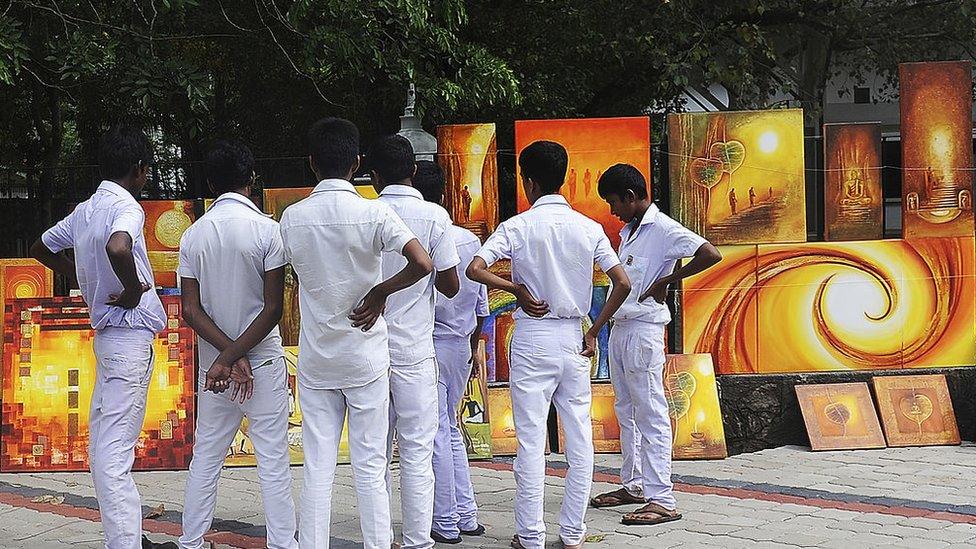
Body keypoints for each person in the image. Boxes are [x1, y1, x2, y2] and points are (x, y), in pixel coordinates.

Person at [467, 141, 632, 549]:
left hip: (532, 338)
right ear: (563, 178)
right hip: (575, 338)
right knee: (579, 439)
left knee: (530, 441)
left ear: (529, 182)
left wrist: (516, 289)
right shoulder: (589, 228)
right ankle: (573, 533)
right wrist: (594, 330)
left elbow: (475, 269)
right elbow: (623, 283)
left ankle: (531, 536)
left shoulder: (517, 227)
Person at [280, 118, 434, 549]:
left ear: (311, 163)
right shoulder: (374, 212)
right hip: (365, 357)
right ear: (359, 164)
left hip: (317, 359)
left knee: (317, 467)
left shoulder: (292, 218)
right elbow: (423, 263)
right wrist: (381, 291)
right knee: (370, 466)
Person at [30, 126, 168, 549]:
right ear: (139, 169)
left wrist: (79, 274)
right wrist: (129, 290)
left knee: (107, 451)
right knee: (111, 457)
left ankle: (128, 539)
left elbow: (40, 246)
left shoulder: (85, 210)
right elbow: (120, 247)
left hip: (110, 341)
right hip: (127, 336)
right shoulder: (127, 206)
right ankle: (125, 544)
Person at [177, 140, 296, 549]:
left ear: (210, 182)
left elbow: (190, 311)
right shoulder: (268, 230)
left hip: (215, 370)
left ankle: (191, 541)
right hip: (260, 364)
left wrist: (224, 357)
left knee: (206, 455)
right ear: (251, 180)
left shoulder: (193, 236)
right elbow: (273, 308)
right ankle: (284, 544)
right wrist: (238, 355)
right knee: (274, 462)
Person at [590, 164, 721, 526]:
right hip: (621, 327)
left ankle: (662, 497)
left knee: (650, 412)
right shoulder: (628, 231)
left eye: (614, 202)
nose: (612, 210)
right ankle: (633, 485)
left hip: (644, 330)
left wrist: (669, 277)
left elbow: (710, 254)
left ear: (631, 197)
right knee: (626, 409)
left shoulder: (663, 228)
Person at [369, 136, 460, 549]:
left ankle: (380, 538)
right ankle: (418, 541)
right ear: (416, 172)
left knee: (374, 455)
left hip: (367, 346)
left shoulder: (365, 212)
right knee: (417, 453)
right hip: (414, 350)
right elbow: (452, 284)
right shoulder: (434, 216)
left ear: (371, 175)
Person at [413, 160, 488, 543]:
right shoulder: (468, 240)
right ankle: (466, 513)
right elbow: (480, 305)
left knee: (436, 432)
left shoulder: (413, 232)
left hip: (426, 344)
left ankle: (443, 521)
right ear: (444, 194)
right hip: (460, 344)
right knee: (451, 428)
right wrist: (475, 350)